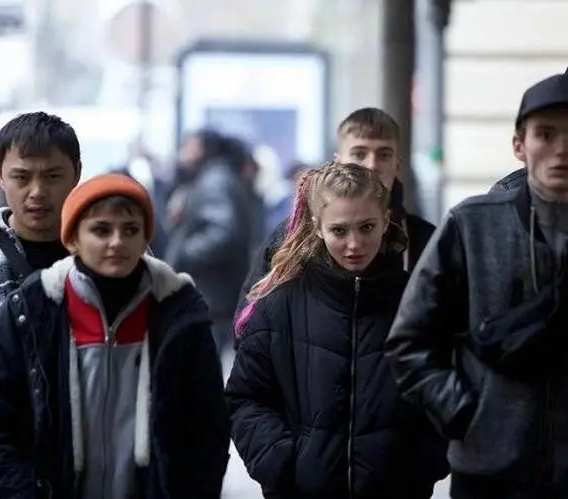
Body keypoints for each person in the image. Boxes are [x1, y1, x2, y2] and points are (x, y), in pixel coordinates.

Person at [0, 173, 230, 498]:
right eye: (101, 230)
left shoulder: (179, 313)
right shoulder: (32, 309)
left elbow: (208, 429)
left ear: (145, 239)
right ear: (72, 239)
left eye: (131, 230)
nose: (117, 242)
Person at [385, 68, 568, 498]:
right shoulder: (473, 225)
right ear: (519, 145)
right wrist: (465, 414)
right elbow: (410, 341)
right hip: (490, 470)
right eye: (545, 134)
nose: (561, 150)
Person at [226, 162, 448, 499]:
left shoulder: (417, 303)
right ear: (318, 227)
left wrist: (419, 468)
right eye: (340, 231)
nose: (354, 244)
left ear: (385, 220)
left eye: (366, 227)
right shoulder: (280, 304)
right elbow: (246, 396)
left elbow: (441, 390)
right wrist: (279, 462)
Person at [0, 111, 81, 497]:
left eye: (52, 176)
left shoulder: (115, 254)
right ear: (0, 175)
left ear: (76, 173)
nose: (37, 192)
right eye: (22, 177)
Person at [236, 107, 435, 314]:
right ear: (338, 161)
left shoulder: (424, 240)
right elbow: (253, 316)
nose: (372, 165)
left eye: (384, 155)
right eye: (359, 154)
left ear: (397, 165)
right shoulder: (290, 238)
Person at [165, 129, 252, 355]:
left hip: (212, 295)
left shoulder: (215, 180)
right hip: (214, 294)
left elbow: (222, 233)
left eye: (190, 145)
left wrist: (183, 253)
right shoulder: (214, 177)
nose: (184, 152)